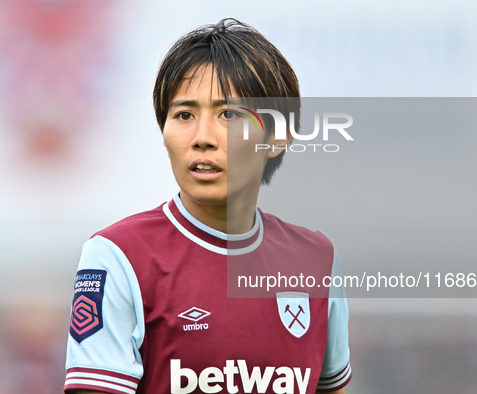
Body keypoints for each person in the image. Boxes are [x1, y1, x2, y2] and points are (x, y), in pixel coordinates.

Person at [64, 18, 351, 394]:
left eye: (229, 115)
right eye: (184, 115)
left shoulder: (317, 261)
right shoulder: (118, 256)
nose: (202, 138)